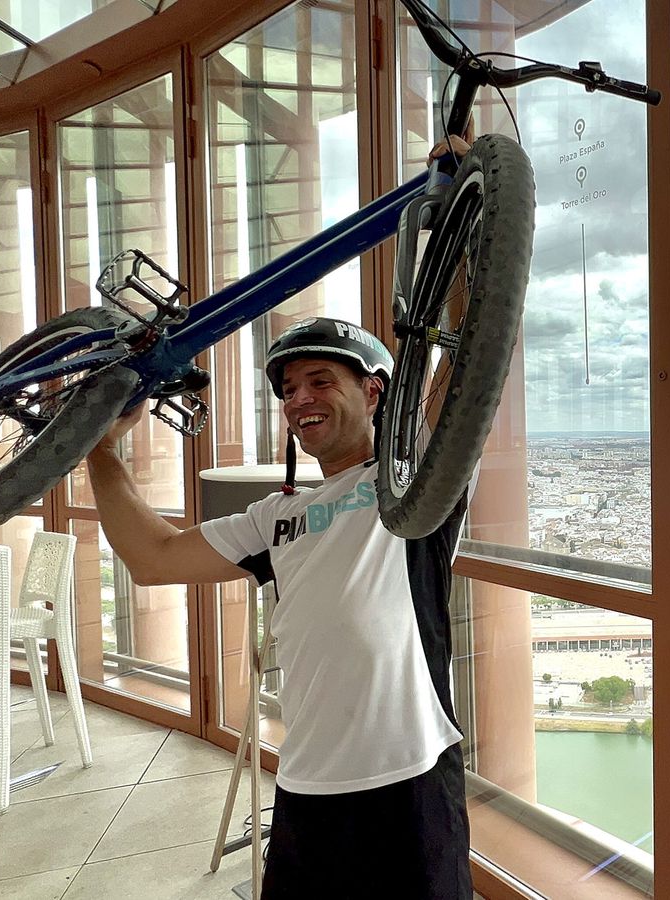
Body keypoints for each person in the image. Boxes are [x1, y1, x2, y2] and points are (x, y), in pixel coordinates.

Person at [85, 313, 473, 898]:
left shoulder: (413, 479)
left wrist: (469, 239)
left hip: (409, 779)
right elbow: (154, 557)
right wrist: (100, 448)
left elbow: (472, 354)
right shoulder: (276, 517)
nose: (300, 400)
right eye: (289, 390)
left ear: (373, 392)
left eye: (321, 381)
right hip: (305, 784)